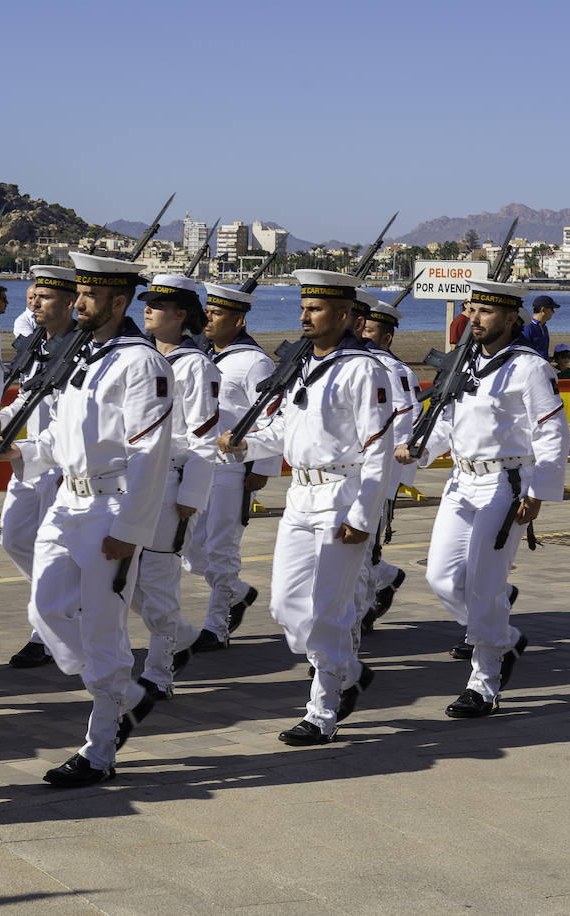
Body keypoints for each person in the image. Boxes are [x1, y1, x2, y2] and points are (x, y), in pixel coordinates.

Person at [0, 250, 170, 786]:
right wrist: (21, 453)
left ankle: (100, 748)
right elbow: (59, 435)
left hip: (110, 507)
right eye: (79, 293)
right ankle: (123, 693)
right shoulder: (83, 356)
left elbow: (150, 454)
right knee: (46, 610)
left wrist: (129, 530)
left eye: (89, 294)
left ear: (118, 300)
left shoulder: (141, 363)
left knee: (104, 625)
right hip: (67, 502)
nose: (79, 301)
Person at [218, 269, 394, 746]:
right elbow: (283, 432)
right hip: (300, 496)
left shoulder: (364, 369)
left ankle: (322, 710)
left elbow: (378, 450)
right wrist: (243, 444)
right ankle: (347, 669)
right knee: (286, 605)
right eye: (303, 308)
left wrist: (362, 515)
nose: (305, 316)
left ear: (344, 315)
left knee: (328, 608)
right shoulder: (301, 365)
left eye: (315, 309)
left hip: (342, 494)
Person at [396, 280, 566, 718]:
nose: (474, 319)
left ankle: (484, 682)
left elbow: (551, 433)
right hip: (460, 481)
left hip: (504, 485)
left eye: (485, 312)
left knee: (484, 585)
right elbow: (446, 419)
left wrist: (538, 492)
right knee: (441, 578)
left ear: (511, 318)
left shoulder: (529, 368)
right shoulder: (465, 362)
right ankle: (504, 638)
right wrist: (420, 449)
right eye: (472, 310)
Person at [129, 274, 219, 699]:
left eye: (158, 305)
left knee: (160, 580)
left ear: (182, 315)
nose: (147, 309)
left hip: (171, 483)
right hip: (133, 481)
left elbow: (203, 438)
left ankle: (160, 672)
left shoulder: (196, 365)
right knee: (122, 577)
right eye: (146, 303)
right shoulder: (141, 357)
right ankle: (180, 636)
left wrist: (191, 496)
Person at [183, 282, 276, 651]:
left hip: (232, 467)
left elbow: (271, 415)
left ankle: (216, 626)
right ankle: (236, 592)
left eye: (217, 313)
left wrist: (261, 468)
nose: (208, 318)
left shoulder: (255, 362)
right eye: (207, 311)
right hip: (200, 463)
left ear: (238, 320)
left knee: (221, 548)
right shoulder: (201, 354)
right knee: (191, 552)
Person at [0, 267, 77, 669]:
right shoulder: (36, 346)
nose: (35, 302)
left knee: (51, 551)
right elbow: (24, 400)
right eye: (35, 295)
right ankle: (61, 605)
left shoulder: (81, 351)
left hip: (59, 464)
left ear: (68, 302)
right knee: (13, 538)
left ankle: (44, 632)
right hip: (28, 462)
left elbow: (72, 418)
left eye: (45, 297)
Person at [355, 294, 419, 635]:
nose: (364, 335)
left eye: (371, 330)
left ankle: (361, 612)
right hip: (346, 468)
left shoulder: (395, 371)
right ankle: (386, 577)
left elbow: (407, 422)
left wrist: (393, 475)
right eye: (361, 328)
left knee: (364, 546)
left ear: (387, 337)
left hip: (375, 470)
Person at [518, 294, 557, 358]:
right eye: (552, 309)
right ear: (543, 310)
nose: (553, 312)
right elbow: (521, 352)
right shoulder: (528, 328)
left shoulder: (544, 328)